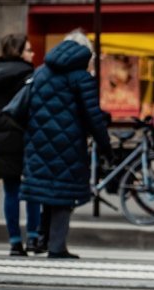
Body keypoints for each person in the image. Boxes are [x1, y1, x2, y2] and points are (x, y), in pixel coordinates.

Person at [20, 30, 112, 259]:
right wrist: (106, 145)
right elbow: (93, 116)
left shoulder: (41, 72)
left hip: (38, 142)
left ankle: (44, 238)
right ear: (83, 52)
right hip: (68, 144)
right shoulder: (81, 77)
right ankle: (57, 246)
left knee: (48, 191)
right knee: (63, 195)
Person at [0, 34, 42, 256]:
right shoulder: (30, 75)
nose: (32, 54)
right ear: (18, 52)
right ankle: (34, 237)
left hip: (1, 136)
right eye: (28, 50)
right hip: (26, 134)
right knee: (33, 187)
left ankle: (15, 242)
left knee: (11, 190)